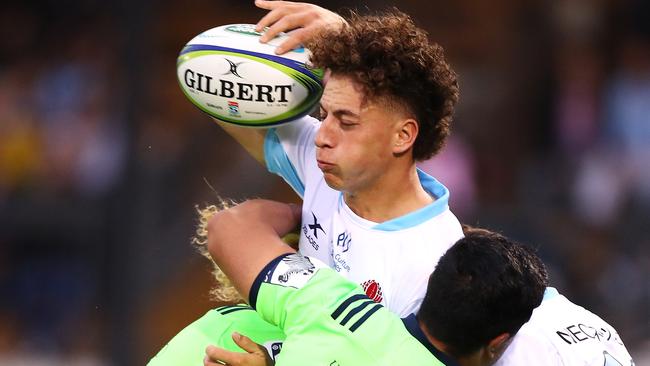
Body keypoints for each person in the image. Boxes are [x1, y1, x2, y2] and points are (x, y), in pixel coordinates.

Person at [151, 1, 463, 363]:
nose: (321, 135)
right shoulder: (324, 167)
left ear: (403, 136)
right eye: (323, 114)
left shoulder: (434, 260)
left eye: (346, 121)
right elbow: (228, 99)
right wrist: (346, 40)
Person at [202, 199, 547, 366]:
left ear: (432, 281)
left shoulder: (334, 302)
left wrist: (308, 209)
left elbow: (227, 228)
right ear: (498, 342)